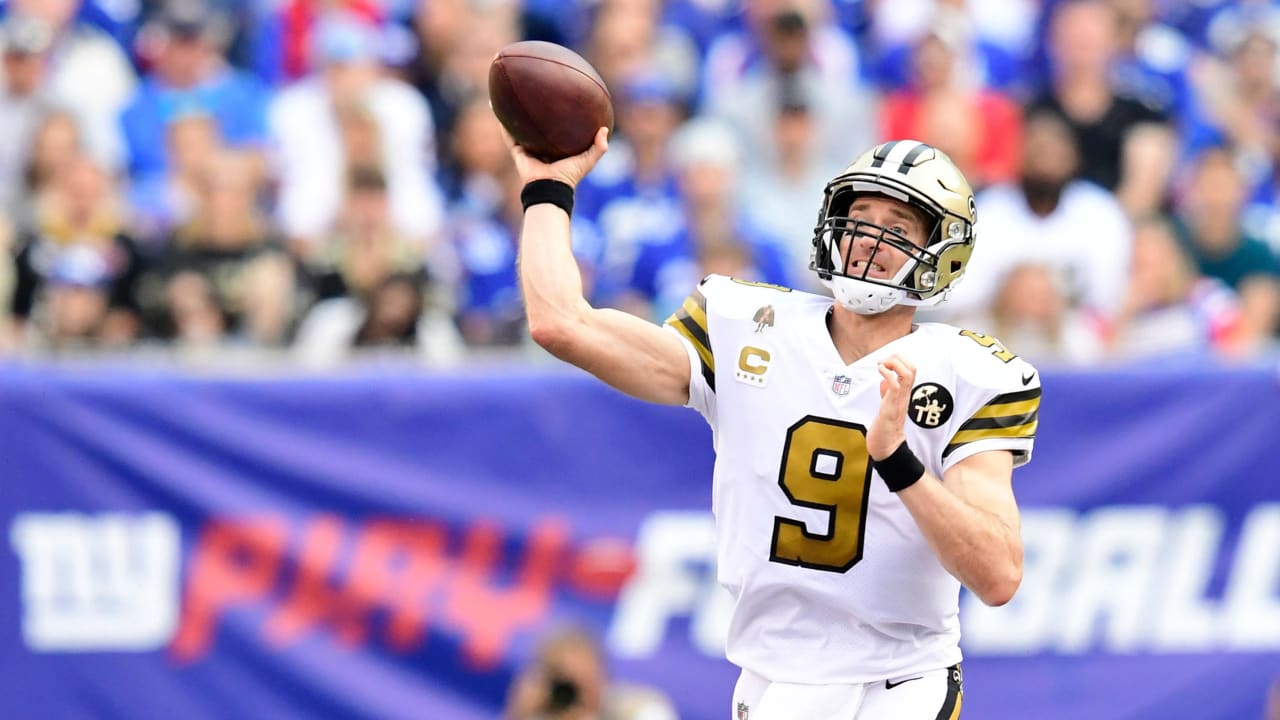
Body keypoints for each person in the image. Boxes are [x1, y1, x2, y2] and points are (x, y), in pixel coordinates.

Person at [508, 127, 1039, 719]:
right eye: (859, 215)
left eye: (896, 228)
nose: (868, 239)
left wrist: (899, 463)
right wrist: (548, 191)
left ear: (941, 254)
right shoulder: (745, 322)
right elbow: (561, 324)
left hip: (896, 682)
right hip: (770, 682)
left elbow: (997, 574)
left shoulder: (968, 372)